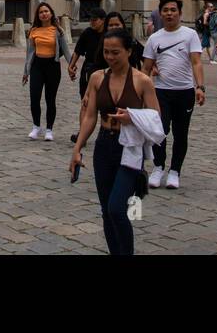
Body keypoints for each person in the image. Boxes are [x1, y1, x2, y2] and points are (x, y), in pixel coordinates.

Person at [69, 27, 161, 256]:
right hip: (104, 145)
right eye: (106, 52)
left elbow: (156, 120)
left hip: (129, 149)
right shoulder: (97, 77)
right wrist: (77, 148)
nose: (110, 57)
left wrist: (133, 117)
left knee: (117, 209)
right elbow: (90, 116)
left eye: (115, 52)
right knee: (106, 211)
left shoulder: (142, 81)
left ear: (129, 51)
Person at [141, 0, 205, 190]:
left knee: (180, 133)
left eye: (173, 10)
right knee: (159, 131)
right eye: (166, 10)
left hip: (184, 91)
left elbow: (196, 62)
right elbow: (146, 67)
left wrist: (200, 87)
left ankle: (175, 171)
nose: (169, 13)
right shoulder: (154, 38)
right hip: (160, 91)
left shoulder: (189, 35)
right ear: (160, 13)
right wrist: (143, 90)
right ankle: (158, 167)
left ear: (180, 13)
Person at [22, 2, 71, 141]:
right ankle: (36, 127)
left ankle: (49, 129)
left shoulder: (58, 31)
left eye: (46, 11)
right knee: (34, 98)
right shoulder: (33, 31)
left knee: (50, 99)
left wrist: (71, 66)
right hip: (37, 66)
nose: (44, 14)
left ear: (51, 13)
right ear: (38, 15)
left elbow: (66, 51)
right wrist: (26, 72)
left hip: (53, 67)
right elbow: (29, 53)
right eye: (41, 12)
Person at [69, 9, 109, 142]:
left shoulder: (109, 34)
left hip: (106, 71)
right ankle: (83, 135)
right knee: (85, 103)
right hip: (89, 70)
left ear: (103, 20)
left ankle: (109, 131)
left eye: (95, 20)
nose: (91, 22)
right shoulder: (87, 33)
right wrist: (71, 65)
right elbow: (78, 50)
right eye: (90, 19)